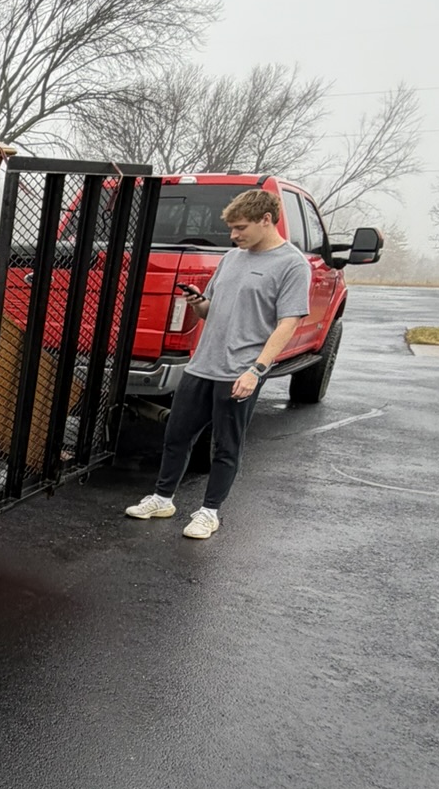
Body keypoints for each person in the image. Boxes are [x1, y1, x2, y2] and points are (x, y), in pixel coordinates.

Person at [125, 187, 311, 539]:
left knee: (226, 446)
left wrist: (256, 370)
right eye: (232, 229)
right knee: (176, 437)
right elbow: (211, 310)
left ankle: (209, 512)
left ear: (266, 220)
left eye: (240, 227)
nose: (233, 235)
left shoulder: (291, 264)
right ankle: (163, 498)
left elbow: (288, 323)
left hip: (239, 371)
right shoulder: (232, 257)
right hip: (201, 366)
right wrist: (198, 304)